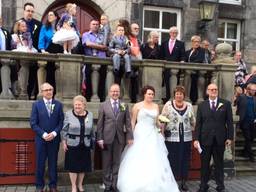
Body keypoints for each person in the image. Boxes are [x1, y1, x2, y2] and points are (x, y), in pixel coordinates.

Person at [117, 85, 179, 192]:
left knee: (154, 158)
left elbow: (156, 123)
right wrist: (130, 135)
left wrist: (162, 126)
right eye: (149, 94)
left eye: (152, 94)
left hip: (153, 134)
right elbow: (132, 122)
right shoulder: (137, 106)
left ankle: (155, 184)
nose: (151, 96)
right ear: (144, 94)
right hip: (140, 133)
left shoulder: (156, 106)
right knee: (138, 157)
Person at [194, 83, 234, 192]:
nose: (214, 91)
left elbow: (229, 122)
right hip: (205, 139)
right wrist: (196, 139)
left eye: (215, 89)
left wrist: (230, 137)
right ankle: (203, 185)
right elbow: (198, 124)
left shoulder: (225, 104)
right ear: (207, 91)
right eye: (211, 89)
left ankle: (220, 185)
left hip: (220, 139)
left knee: (219, 164)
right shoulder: (202, 105)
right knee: (204, 164)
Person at [96, 84, 133, 192]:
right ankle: (107, 185)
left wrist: (130, 136)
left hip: (120, 138)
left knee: (117, 162)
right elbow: (100, 124)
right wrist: (100, 138)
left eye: (117, 91)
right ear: (109, 93)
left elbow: (128, 122)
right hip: (107, 138)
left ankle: (114, 184)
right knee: (107, 163)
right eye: (113, 91)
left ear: (119, 92)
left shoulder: (124, 105)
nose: (115, 93)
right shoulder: (103, 105)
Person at [30, 83, 64, 192]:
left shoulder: (58, 105)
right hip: (41, 140)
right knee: (40, 163)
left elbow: (61, 122)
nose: (49, 92)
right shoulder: (36, 105)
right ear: (42, 92)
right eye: (46, 90)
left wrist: (54, 133)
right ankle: (39, 186)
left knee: (53, 163)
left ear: (53, 91)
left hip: (54, 139)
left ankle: (53, 186)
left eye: (50, 89)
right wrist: (44, 134)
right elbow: (33, 123)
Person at [161, 85, 195, 191]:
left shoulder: (189, 106)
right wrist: (161, 132)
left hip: (186, 137)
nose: (178, 96)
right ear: (174, 95)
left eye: (181, 94)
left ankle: (184, 181)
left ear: (184, 95)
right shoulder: (168, 105)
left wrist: (192, 125)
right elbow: (162, 119)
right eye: (177, 94)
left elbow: (193, 120)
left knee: (185, 159)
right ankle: (173, 180)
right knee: (173, 158)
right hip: (171, 137)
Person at [61, 95, 94, 192]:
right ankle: (73, 186)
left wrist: (92, 141)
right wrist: (64, 142)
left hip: (85, 144)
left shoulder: (90, 115)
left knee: (83, 166)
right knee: (73, 167)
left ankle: (80, 185)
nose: (77, 106)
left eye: (79, 104)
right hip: (72, 144)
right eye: (75, 105)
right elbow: (64, 130)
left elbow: (92, 129)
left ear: (84, 105)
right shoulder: (68, 114)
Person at [14, 2, 42, 99]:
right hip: (21, 56)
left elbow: (40, 39)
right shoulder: (18, 23)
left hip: (34, 55)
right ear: (24, 11)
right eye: (28, 11)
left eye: (32, 11)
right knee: (21, 75)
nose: (30, 13)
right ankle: (21, 93)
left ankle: (30, 95)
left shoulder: (38, 24)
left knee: (33, 76)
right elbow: (12, 36)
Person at [82, 19, 108, 101]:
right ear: (90, 25)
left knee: (102, 82)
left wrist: (99, 46)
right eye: (93, 24)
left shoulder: (102, 36)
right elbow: (88, 44)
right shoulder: (86, 35)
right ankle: (89, 99)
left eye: (97, 24)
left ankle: (101, 100)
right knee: (89, 82)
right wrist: (100, 47)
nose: (95, 25)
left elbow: (107, 46)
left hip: (102, 61)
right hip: (90, 61)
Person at [38, 10, 63, 93]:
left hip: (60, 51)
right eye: (48, 15)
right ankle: (50, 91)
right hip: (49, 50)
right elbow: (41, 40)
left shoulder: (61, 27)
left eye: (51, 15)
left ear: (56, 17)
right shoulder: (45, 27)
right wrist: (42, 50)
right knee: (50, 72)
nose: (49, 16)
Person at [160, 26, 185, 103]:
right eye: (173, 32)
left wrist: (182, 61)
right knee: (166, 83)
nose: (174, 34)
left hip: (175, 67)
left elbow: (183, 55)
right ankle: (167, 100)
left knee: (175, 84)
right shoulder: (164, 43)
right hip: (166, 67)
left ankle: (173, 99)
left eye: (176, 33)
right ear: (170, 33)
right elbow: (161, 55)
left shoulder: (181, 44)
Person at [236, 83, 256, 162]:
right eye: (253, 90)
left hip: (253, 121)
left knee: (251, 138)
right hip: (244, 121)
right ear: (248, 90)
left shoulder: (254, 99)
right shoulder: (241, 98)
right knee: (247, 138)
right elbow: (235, 106)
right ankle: (251, 156)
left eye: (255, 90)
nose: (254, 91)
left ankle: (244, 152)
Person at [185, 35, 206, 104]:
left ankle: (193, 100)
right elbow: (185, 59)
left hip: (196, 72)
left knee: (194, 87)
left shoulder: (202, 50)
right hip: (188, 72)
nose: (197, 43)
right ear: (192, 42)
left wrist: (189, 64)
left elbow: (199, 60)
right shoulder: (188, 51)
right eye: (195, 42)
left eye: (198, 42)